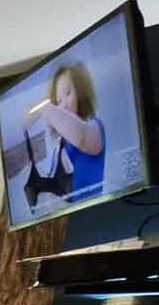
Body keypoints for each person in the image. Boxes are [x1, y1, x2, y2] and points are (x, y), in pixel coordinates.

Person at [25, 60, 107, 206]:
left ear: (81, 91)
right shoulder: (60, 145)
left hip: (97, 210)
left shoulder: (95, 127)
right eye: (58, 101)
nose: (63, 105)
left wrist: (43, 107)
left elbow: (80, 137)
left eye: (68, 93)